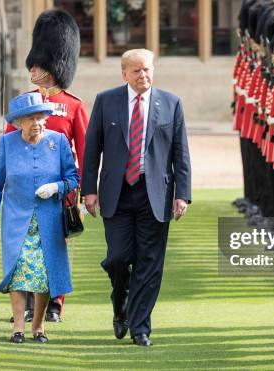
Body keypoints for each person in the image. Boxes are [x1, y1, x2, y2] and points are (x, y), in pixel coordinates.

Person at [82, 49, 192, 347]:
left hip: (155, 193)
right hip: (116, 192)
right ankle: (121, 308)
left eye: (147, 70)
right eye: (137, 71)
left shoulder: (171, 103)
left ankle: (140, 326)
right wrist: (88, 190)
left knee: (149, 263)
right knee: (118, 259)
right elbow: (92, 149)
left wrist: (182, 194)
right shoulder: (107, 101)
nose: (143, 76)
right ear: (124, 74)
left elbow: (181, 154)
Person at [5, 9, 87, 324]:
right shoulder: (23, 103)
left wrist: (84, 191)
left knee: (55, 249)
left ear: (52, 66)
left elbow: (85, 152)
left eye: (38, 65)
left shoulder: (74, 106)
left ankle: (54, 304)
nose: (33, 69)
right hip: (25, 190)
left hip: (58, 193)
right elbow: (8, 147)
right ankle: (26, 303)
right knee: (25, 247)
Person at [0, 92, 79, 343]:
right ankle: (17, 328)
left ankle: (38, 327)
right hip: (16, 221)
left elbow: (73, 179)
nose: (37, 123)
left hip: (48, 221)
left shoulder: (58, 142)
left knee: (44, 275)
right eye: (30, 119)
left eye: (40, 117)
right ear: (18, 123)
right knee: (18, 272)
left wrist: (56, 188)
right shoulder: (6, 143)